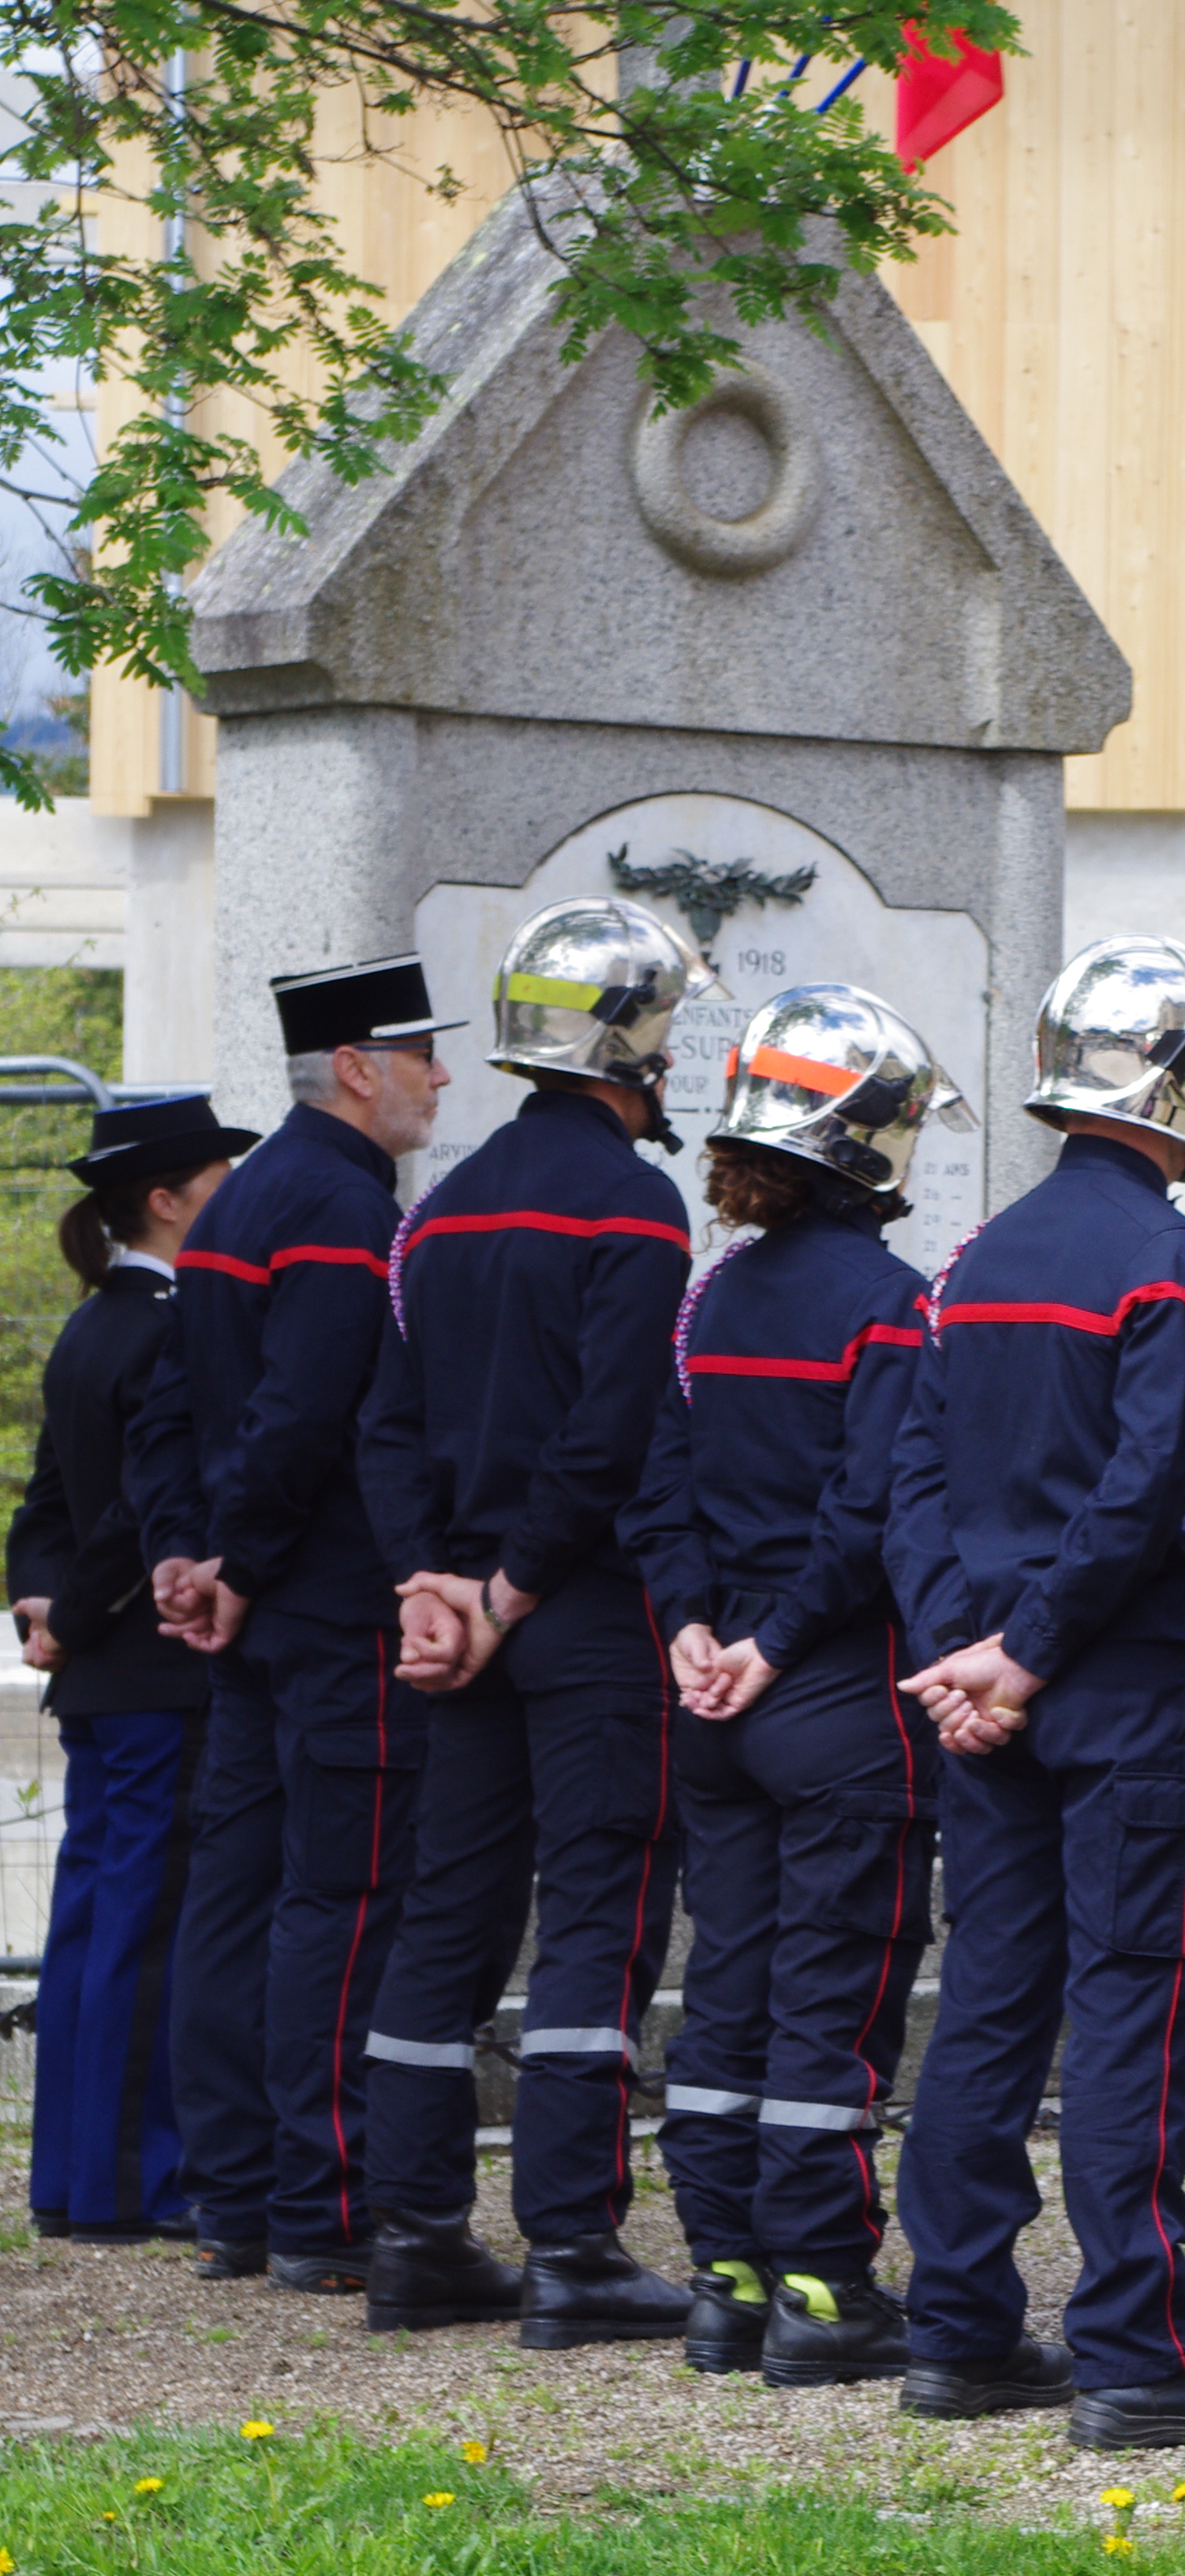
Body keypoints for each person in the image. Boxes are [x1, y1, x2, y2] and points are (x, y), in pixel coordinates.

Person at [891, 936, 1185, 2451]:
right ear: (1183, 1090)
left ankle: (960, 2323)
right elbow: (1150, 1487)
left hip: (987, 1679)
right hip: (1120, 1682)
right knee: (1136, 2005)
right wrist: (1033, 1646)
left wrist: (965, 1650)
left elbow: (913, 1471)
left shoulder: (976, 1256)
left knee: (990, 1997)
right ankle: (1133, 2342)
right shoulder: (1175, 1262)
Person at [353, 897, 708, 2343]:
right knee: (599, 1917)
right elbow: (613, 1429)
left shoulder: (437, 1210)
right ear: (637, 1044)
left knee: (445, 1914)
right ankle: (573, 2243)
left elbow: (385, 1422)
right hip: (582, 1615)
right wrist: (502, 1590)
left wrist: (429, 1584)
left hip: (460, 1615)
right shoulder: (632, 1204)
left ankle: (417, 2230)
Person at [627, 987, 967, 2383]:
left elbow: (657, 1478)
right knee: (833, 1996)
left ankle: (724, 2274)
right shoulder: (892, 1304)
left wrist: (694, 1625)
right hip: (834, 1698)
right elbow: (874, 1502)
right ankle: (824, 2287)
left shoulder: (710, 1299)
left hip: (713, 1697)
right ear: (872, 1143)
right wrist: (774, 1635)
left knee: (732, 1989)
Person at [129, 956, 454, 2291]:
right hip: (326, 1607)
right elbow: (306, 1414)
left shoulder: (240, 1199)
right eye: (420, 1051)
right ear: (358, 1067)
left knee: (237, 1890)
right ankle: (323, 2200)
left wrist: (184, 1556)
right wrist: (242, 1563)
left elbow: (171, 1413)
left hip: (261, 1602)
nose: (441, 1074)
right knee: (342, 1892)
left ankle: (240, 2193)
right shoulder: (335, 1197)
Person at [10, 1095, 252, 2243]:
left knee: (91, 1921)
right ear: (166, 1200)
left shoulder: (93, 1320)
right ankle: (131, 2185)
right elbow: (134, 1506)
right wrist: (89, 1605)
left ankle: (68, 2178)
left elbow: (46, 1506)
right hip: (151, 1667)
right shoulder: (169, 1322)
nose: (232, 1199)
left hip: (101, 1670)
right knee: (148, 1928)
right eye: (215, 1179)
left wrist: (42, 1606)